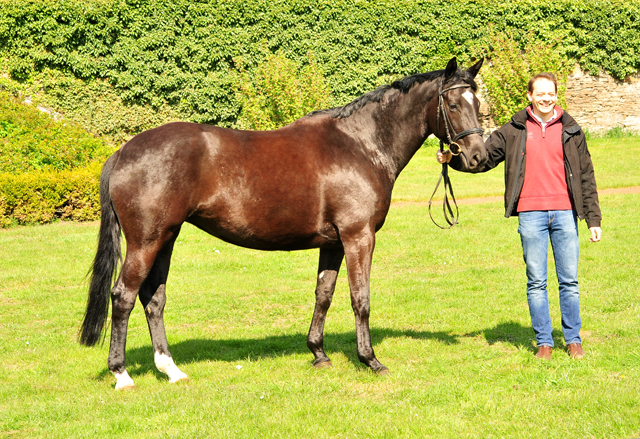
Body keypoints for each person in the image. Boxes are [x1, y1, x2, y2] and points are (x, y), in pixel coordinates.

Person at [437, 72, 602, 360]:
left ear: (556, 95)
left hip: (565, 213)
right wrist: (454, 161)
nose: (546, 98)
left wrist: (593, 219)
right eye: (540, 93)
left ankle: (573, 340)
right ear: (530, 96)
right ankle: (544, 343)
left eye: (550, 93)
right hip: (531, 215)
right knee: (536, 281)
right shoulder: (513, 129)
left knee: (569, 282)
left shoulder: (571, 129)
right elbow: (483, 158)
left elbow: (586, 175)